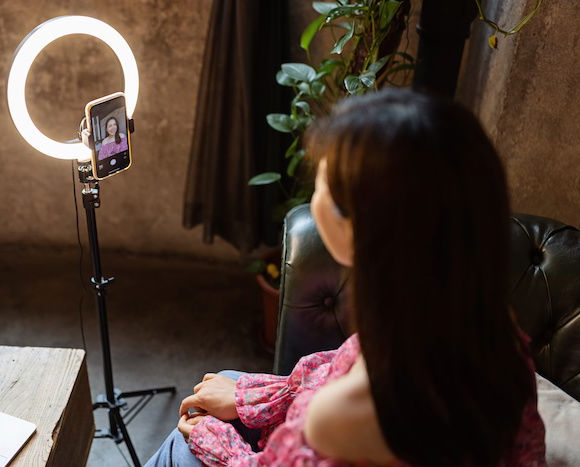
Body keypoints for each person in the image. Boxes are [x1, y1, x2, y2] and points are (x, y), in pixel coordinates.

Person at [145, 89, 546, 466]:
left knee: (180, 443)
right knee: (229, 381)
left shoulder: (345, 415)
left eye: (322, 180)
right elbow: (338, 366)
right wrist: (254, 397)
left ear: (360, 228)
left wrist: (215, 440)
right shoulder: (483, 323)